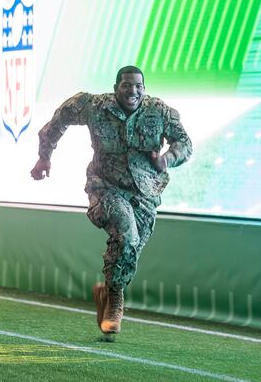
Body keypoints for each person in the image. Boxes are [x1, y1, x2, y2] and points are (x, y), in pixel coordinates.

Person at [30, 66, 192, 336]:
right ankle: (115, 303)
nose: (133, 91)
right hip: (105, 186)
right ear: (116, 86)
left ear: (145, 88)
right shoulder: (94, 106)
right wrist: (44, 156)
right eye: (127, 85)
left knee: (129, 252)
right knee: (126, 234)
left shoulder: (160, 112)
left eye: (139, 86)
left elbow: (185, 143)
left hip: (145, 192)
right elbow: (59, 120)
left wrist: (168, 158)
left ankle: (106, 291)